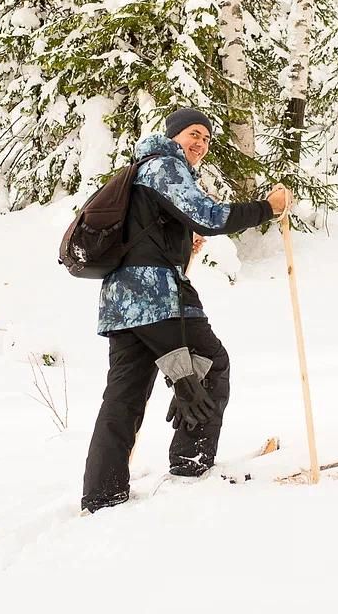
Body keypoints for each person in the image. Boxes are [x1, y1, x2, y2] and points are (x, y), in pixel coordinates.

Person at [81, 107, 292, 513]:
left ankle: (102, 493)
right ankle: (191, 465)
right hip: (157, 297)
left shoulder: (143, 168)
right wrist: (269, 206)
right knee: (211, 363)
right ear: (174, 135)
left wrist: (178, 241)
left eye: (207, 138)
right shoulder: (164, 166)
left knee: (124, 396)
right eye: (193, 133)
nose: (200, 143)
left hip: (122, 303)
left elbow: (147, 230)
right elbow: (210, 216)